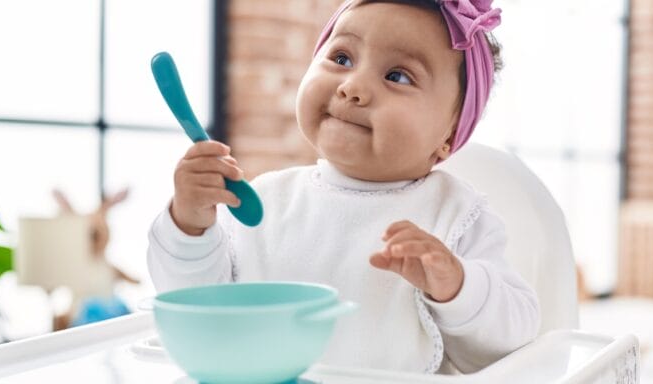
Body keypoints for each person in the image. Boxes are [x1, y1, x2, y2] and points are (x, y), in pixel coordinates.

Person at [147, 0, 539, 374]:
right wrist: (190, 226)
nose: (353, 87)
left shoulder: (455, 216)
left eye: (397, 76)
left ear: (449, 136)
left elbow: (513, 344)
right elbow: (198, 314)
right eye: (341, 58)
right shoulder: (265, 200)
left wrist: (457, 287)